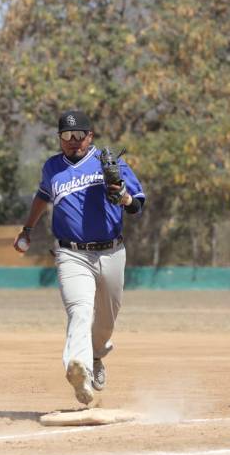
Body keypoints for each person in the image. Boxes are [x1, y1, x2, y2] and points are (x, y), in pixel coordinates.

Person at [13, 109, 145, 405]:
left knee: (106, 321)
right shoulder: (52, 167)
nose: (72, 141)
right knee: (80, 311)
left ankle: (96, 355)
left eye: (77, 135)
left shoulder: (111, 164)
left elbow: (137, 205)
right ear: (59, 139)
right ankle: (79, 370)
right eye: (65, 136)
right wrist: (28, 228)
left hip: (111, 251)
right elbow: (43, 196)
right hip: (71, 254)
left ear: (90, 136)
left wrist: (123, 195)